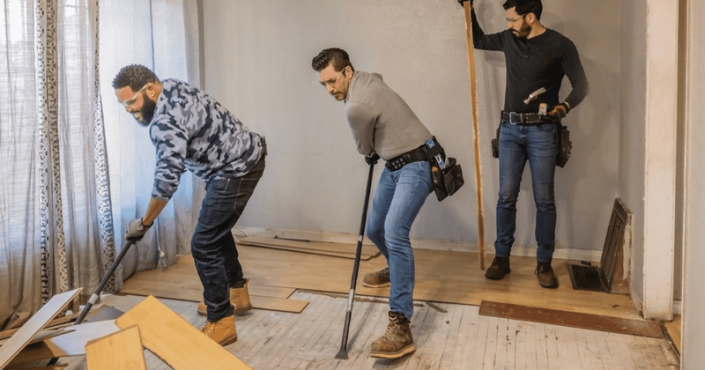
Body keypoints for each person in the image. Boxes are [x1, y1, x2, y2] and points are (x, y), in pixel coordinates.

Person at [113, 64, 267, 345]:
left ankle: (221, 320)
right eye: (122, 104)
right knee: (215, 232)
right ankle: (236, 291)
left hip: (235, 170)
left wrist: (144, 224)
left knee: (203, 243)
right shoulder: (171, 85)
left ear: (150, 89)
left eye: (131, 101)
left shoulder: (163, 124)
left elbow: (166, 181)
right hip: (242, 158)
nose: (128, 110)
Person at [312, 48, 442, 359]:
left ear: (347, 72)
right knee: (375, 229)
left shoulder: (355, 106)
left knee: (395, 232)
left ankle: (400, 324)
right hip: (395, 163)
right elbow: (379, 81)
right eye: (324, 84)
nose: (330, 90)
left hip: (420, 162)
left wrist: (371, 145)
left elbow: (363, 147)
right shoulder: (368, 79)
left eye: (332, 81)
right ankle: (398, 269)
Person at [459, 0, 589, 288]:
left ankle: (544, 264)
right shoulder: (509, 38)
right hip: (509, 130)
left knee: (544, 199)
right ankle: (502, 258)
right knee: (506, 195)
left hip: (543, 130)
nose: (508, 25)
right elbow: (478, 39)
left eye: (513, 19)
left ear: (530, 16)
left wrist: (564, 107)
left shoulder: (560, 44)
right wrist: (467, 10)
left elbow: (582, 84)